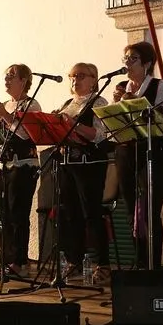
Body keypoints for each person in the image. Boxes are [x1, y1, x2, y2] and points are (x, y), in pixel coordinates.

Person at [115, 41, 163, 269]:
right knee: (132, 214)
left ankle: (153, 266)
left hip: (154, 154)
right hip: (126, 154)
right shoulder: (122, 86)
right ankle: (139, 263)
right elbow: (114, 126)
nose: (127, 63)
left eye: (133, 59)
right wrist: (117, 105)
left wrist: (134, 105)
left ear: (147, 63)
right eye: (125, 59)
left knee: (149, 213)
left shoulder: (159, 86)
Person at [54, 63, 112, 286]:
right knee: (70, 214)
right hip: (67, 164)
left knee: (92, 214)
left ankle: (102, 264)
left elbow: (100, 135)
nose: (74, 80)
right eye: (71, 76)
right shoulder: (68, 104)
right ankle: (73, 261)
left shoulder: (99, 102)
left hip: (90, 165)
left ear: (93, 79)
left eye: (80, 76)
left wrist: (73, 126)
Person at [0, 64, 41, 280]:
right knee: (5, 214)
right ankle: (8, 258)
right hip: (2, 165)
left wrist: (5, 115)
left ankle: (21, 261)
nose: (6, 80)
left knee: (18, 214)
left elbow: (26, 134)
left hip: (23, 165)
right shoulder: (6, 104)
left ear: (24, 80)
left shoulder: (31, 104)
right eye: (5, 76)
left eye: (11, 77)